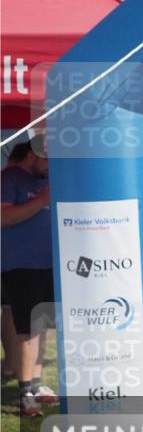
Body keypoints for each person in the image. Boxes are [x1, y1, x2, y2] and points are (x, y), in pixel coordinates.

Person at [1, 136, 58, 416]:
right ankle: (25, 394)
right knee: (27, 330)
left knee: (42, 327)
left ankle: (36, 386)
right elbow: (4, 218)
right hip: (21, 267)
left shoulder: (45, 180)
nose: (51, 166)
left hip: (48, 265)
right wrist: (44, 199)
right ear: (32, 156)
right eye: (47, 159)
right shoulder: (9, 178)